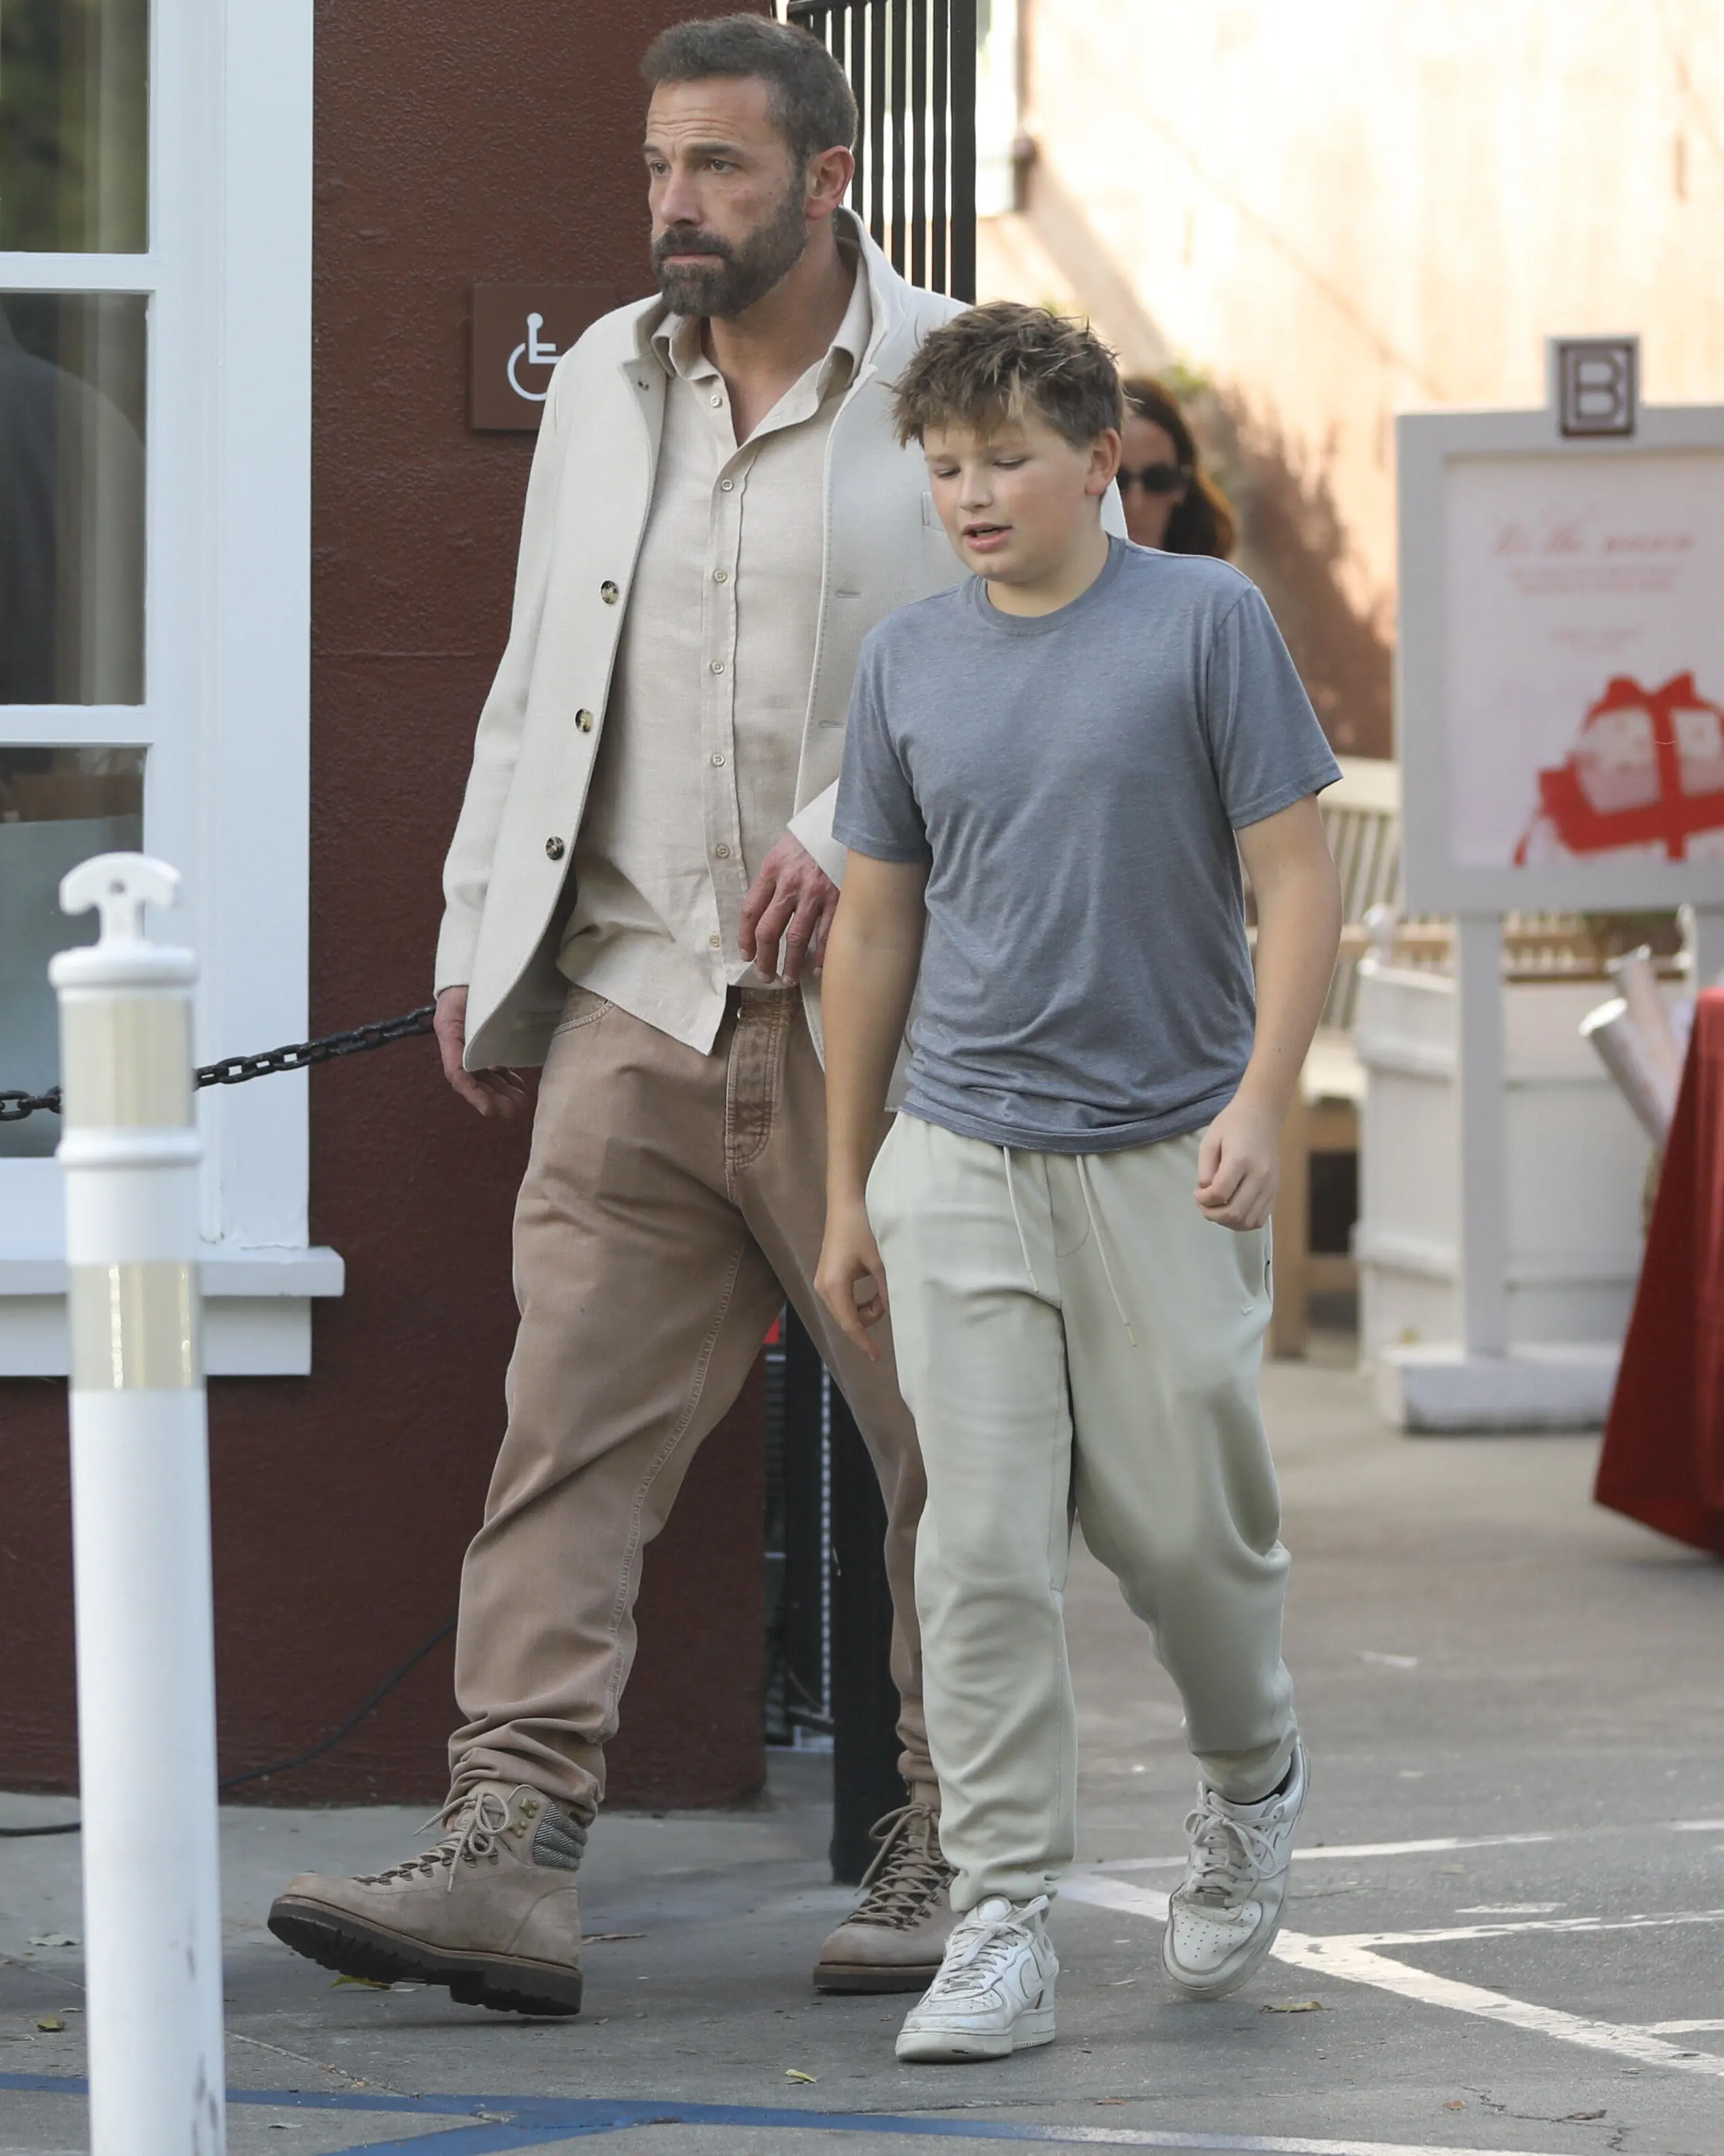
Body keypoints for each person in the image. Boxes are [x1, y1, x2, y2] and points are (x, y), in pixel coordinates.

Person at [267, 14, 989, 2019]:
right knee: (565, 1439)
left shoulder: (954, 379)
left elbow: (1031, 655)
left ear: (829, 180)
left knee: (954, 1448)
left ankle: (964, 1846)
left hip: (886, 1032)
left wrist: (857, 824)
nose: (676, 205)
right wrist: (476, 924)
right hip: (630, 1006)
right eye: (660, 169)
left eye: (722, 173)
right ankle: (509, 1852)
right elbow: (539, 673)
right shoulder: (602, 374)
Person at [815, 302, 1343, 2062]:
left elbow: (1294, 883)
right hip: (958, 1145)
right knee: (973, 1543)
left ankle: (1248, 1766)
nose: (969, 495)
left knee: (1183, 1528)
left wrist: (1265, 1100)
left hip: (1166, 1148)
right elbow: (873, 926)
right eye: (945, 467)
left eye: (1005, 461)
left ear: (1097, 459)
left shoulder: (1204, 624)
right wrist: (844, 1181)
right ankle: (1004, 1907)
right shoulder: (904, 662)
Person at [1117, 373, 1236, 558]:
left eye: (1158, 480)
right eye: (1117, 481)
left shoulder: (1214, 583)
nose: (1136, 504)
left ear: (1182, 485)